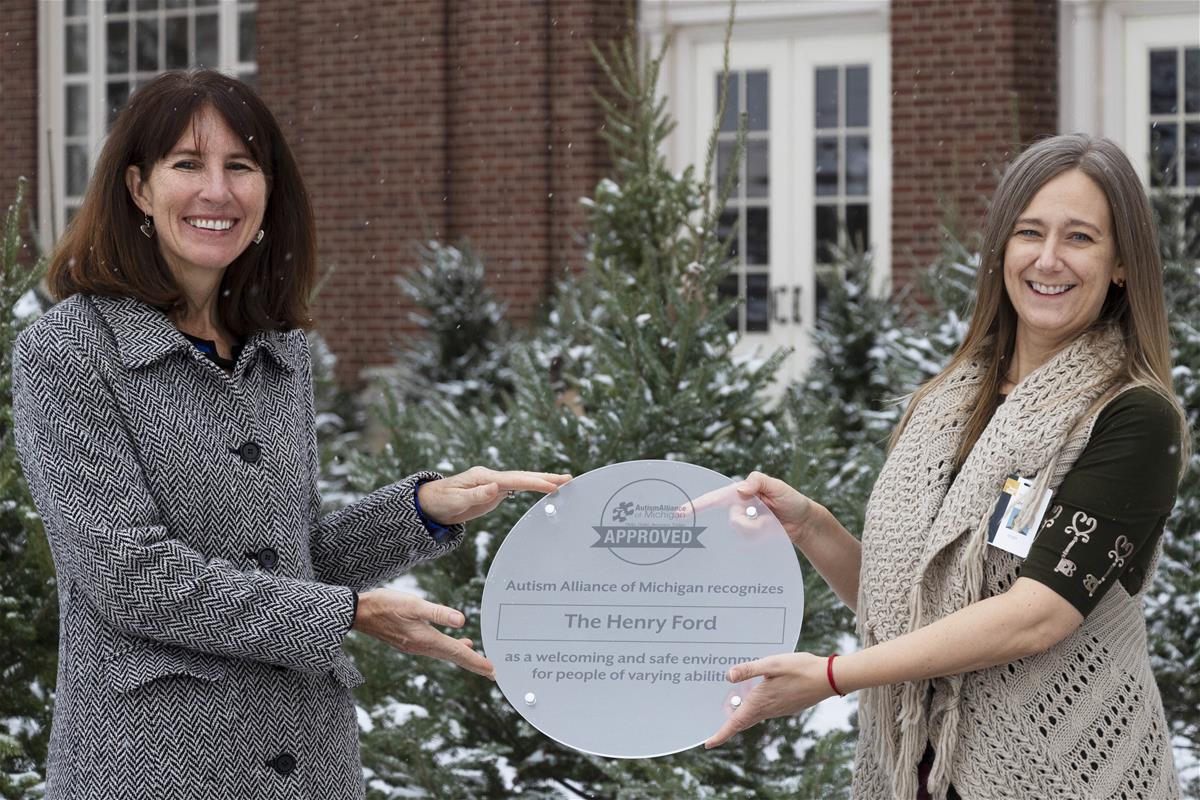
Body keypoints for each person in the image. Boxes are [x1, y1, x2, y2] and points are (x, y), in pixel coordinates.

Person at [11, 69, 569, 799]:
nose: (218, 191)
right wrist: (351, 614)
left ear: (270, 191)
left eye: (240, 166)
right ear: (139, 189)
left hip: (310, 760)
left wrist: (423, 509)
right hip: (156, 766)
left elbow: (296, 558)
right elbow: (129, 578)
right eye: (188, 165)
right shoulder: (69, 352)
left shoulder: (276, 348)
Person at [705, 134, 1186, 800]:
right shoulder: (946, 403)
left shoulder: (1130, 417)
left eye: (1079, 238)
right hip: (917, 772)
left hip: (1055, 777)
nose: (1048, 259)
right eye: (1029, 232)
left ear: (1122, 264)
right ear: (1001, 248)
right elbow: (908, 608)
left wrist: (836, 675)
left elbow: (1036, 615)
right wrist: (811, 524)